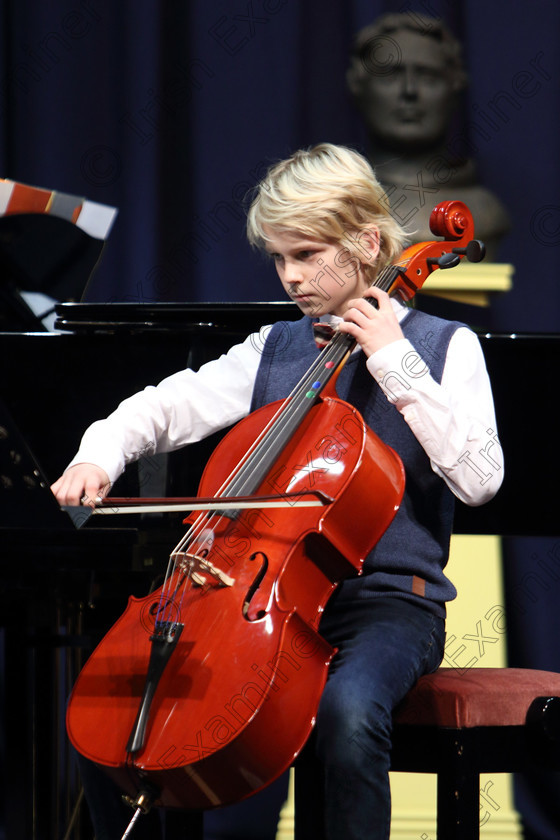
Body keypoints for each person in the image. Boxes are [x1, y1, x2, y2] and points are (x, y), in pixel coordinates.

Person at [52, 142, 503, 840]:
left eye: (305, 255)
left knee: (351, 714)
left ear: (368, 243)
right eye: (279, 258)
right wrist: (99, 453)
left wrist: (391, 356)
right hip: (260, 605)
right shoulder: (277, 346)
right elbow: (166, 407)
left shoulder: (447, 346)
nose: (288, 276)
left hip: (387, 607)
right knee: (127, 711)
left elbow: (481, 481)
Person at [346, 13, 510, 258]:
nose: (409, 90)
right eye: (390, 75)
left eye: (428, 77)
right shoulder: (339, 206)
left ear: (454, 88)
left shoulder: (483, 211)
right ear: (358, 85)